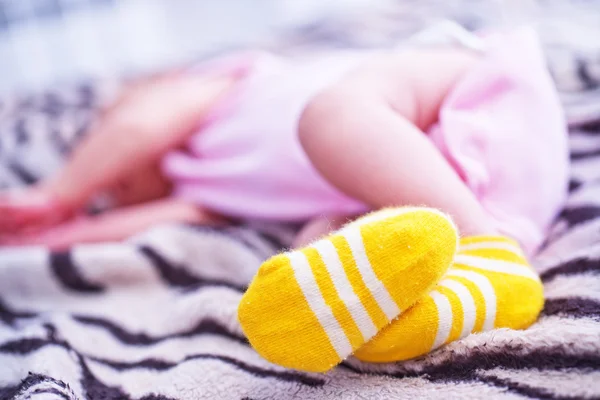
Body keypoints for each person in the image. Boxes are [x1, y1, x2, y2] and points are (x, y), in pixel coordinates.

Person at [0, 23, 568, 372]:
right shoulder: (207, 185)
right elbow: (172, 217)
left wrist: (61, 191)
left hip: (455, 96)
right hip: (457, 190)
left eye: (105, 123)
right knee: (319, 253)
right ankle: (464, 298)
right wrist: (60, 237)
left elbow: (140, 126)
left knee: (332, 116)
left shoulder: (218, 86)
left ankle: (485, 247)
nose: (110, 181)